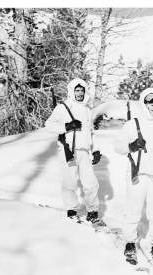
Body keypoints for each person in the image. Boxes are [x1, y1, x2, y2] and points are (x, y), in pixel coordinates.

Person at [116, 88, 153, 267]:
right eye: (151, 104)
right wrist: (132, 145)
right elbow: (118, 146)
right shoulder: (133, 124)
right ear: (144, 104)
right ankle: (130, 243)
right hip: (138, 174)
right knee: (133, 209)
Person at [45, 78, 102, 224]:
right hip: (67, 150)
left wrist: (95, 150)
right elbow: (49, 125)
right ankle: (71, 209)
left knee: (91, 183)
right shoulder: (63, 107)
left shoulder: (88, 110)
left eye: (82, 90)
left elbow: (91, 132)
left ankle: (92, 211)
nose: (80, 93)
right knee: (69, 182)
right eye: (77, 90)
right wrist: (67, 126)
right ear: (72, 91)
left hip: (84, 151)